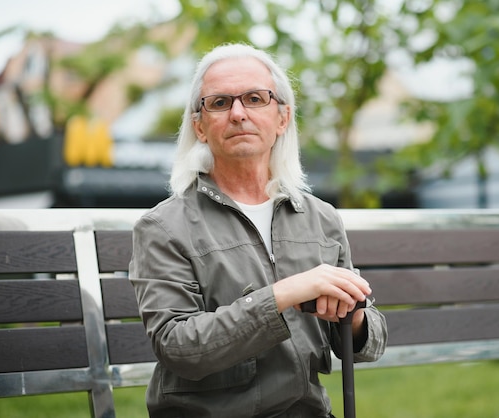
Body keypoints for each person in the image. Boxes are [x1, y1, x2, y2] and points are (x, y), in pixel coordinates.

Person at [129, 42, 388, 418]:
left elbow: (371, 342)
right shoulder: (163, 227)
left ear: (282, 118)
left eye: (254, 98)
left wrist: (356, 314)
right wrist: (283, 294)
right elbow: (178, 347)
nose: (238, 113)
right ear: (199, 126)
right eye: (219, 103)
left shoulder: (322, 219)